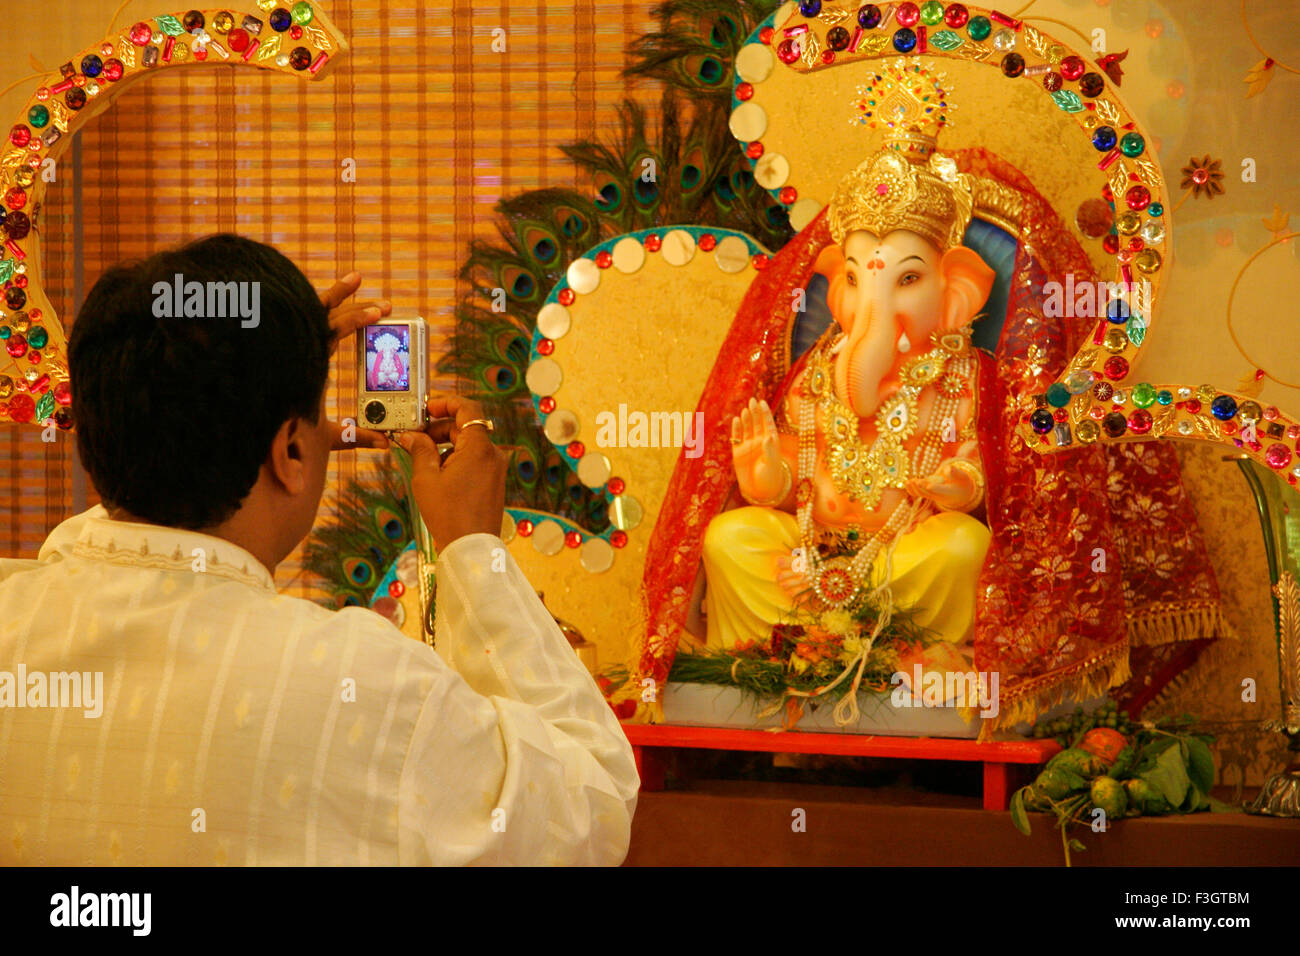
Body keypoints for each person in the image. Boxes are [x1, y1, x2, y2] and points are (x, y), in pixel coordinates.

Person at [0, 234, 638, 865]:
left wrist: (249, 410)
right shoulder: (371, 687)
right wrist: (473, 550)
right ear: (293, 451)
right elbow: (593, 808)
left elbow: (114, 542)